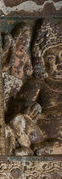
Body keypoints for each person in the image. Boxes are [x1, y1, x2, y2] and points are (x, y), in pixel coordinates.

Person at [8, 19, 62, 156]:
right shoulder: (37, 84)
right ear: (42, 62)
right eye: (51, 58)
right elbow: (15, 107)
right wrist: (29, 106)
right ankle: (29, 146)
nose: (59, 63)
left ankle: (52, 147)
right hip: (38, 136)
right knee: (17, 120)